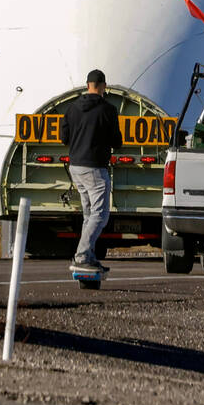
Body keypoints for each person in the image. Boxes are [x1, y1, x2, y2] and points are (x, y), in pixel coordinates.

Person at [62, 68, 123, 273]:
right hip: (95, 168)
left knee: (89, 214)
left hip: (75, 167)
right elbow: (117, 141)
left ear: (87, 85)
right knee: (100, 215)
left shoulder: (72, 108)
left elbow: (64, 138)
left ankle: (89, 256)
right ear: (103, 86)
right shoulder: (108, 110)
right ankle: (81, 255)